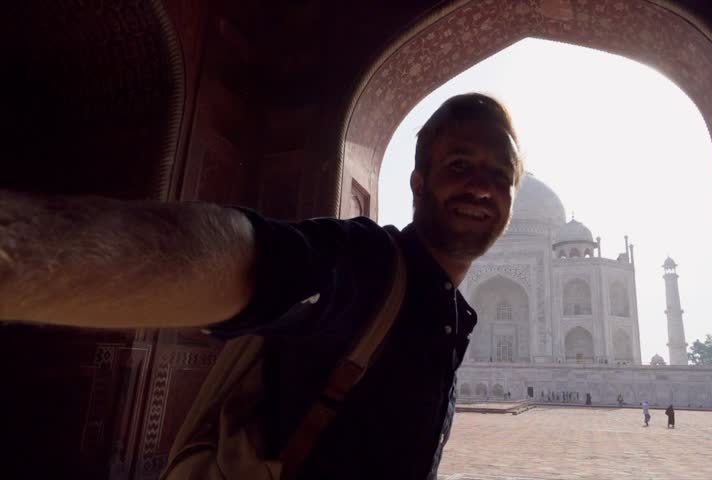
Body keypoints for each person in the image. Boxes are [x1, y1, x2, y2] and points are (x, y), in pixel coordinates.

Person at [0, 93, 523, 479]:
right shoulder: (370, 263)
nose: (481, 187)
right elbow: (247, 260)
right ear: (418, 182)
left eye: (500, 176)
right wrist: (22, 251)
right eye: (460, 165)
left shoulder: (450, 314)